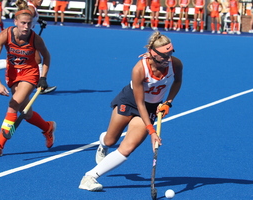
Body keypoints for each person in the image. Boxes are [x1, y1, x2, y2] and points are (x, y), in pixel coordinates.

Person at [78, 31, 183, 191]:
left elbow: (177, 81)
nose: (168, 59)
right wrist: (151, 131)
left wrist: (168, 102)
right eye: (163, 55)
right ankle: (103, 142)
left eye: (170, 54)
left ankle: (89, 177)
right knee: (110, 141)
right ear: (152, 54)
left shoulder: (175, 64)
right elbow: (139, 103)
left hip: (151, 107)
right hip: (130, 101)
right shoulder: (139, 70)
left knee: (128, 147)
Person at [0, 1, 56, 157]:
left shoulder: (35, 39)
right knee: (26, 113)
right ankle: (47, 127)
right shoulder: (5, 35)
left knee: (13, 104)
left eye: (29, 24)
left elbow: (47, 57)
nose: (26, 27)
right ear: (15, 22)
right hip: (12, 75)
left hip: (30, 74)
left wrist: (43, 77)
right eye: (23, 23)